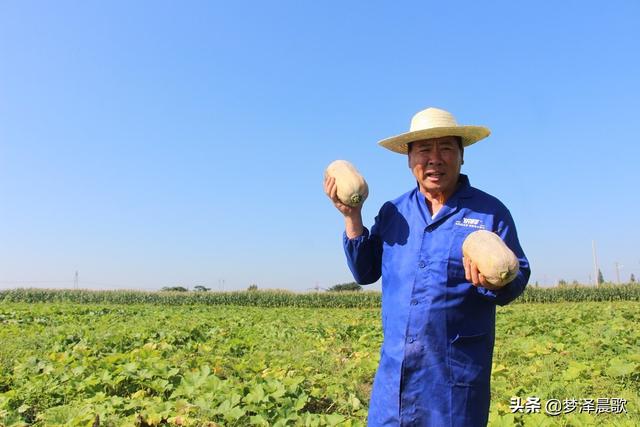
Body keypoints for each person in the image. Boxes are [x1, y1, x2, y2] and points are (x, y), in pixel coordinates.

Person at [324, 107, 530, 426]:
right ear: (409, 159)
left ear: (461, 156)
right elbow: (365, 273)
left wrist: (498, 285)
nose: (435, 158)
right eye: (424, 150)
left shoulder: (490, 212)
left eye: (446, 148)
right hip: (395, 384)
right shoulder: (394, 212)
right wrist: (352, 217)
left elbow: (518, 275)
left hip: (453, 386)